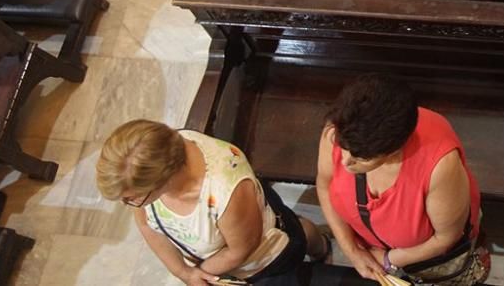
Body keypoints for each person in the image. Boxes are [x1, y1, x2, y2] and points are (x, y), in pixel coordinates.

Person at [96, 120, 330, 285]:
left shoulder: (225, 191)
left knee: (297, 234)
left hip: (266, 259)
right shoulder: (159, 152)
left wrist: (198, 273)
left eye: (132, 198)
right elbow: (147, 223)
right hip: (223, 258)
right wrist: (183, 272)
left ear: (164, 179)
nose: (130, 205)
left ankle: (321, 247)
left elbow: (241, 250)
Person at [316, 75, 489, 285]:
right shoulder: (342, 128)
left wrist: (389, 260)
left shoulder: (438, 166)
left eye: (360, 157)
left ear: (393, 150)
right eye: (342, 148)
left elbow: (446, 238)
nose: (345, 162)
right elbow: (325, 185)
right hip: (374, 246)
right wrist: (351, 249)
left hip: (425, 260)